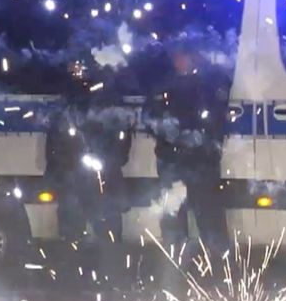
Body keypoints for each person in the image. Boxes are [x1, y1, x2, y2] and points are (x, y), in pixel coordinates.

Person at [45, 61, 134, 247]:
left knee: (106, 225)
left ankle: (107, 257)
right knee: (73, 225)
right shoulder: (68, 98)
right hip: (73, 173)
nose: (76, 71)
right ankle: (74, 253)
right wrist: (61, 164)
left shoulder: (107, 96)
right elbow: (55, 137)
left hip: (102, 173)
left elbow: (122, 134)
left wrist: (112, 158)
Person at [150, 45, 231, 250]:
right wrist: (165, 129)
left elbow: (217, 118)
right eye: (177, 56)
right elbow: (149, 115)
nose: (180, 60)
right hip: (171, 159)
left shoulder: (209, 83)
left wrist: (199, 137)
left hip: (201, 160)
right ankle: (176, 254)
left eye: (183, 56)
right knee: (173, 212)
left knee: (208, 210)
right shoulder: (164, 85)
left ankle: (217, 256)